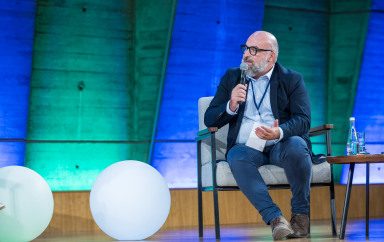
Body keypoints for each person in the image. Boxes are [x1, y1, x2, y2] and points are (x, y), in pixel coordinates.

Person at [204, 31, 312, 240]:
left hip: (281, 144)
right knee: (236, 155)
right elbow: (210, 118)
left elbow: (303, 119)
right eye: (245, 48)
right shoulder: (232, 77)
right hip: (248, 148)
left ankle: (300, 216)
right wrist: (231, 104)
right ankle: (275, 219)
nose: (246, 55)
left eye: (254, 50)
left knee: (297, 145)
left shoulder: (292, 79)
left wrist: (279, 132)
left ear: (270, 56)